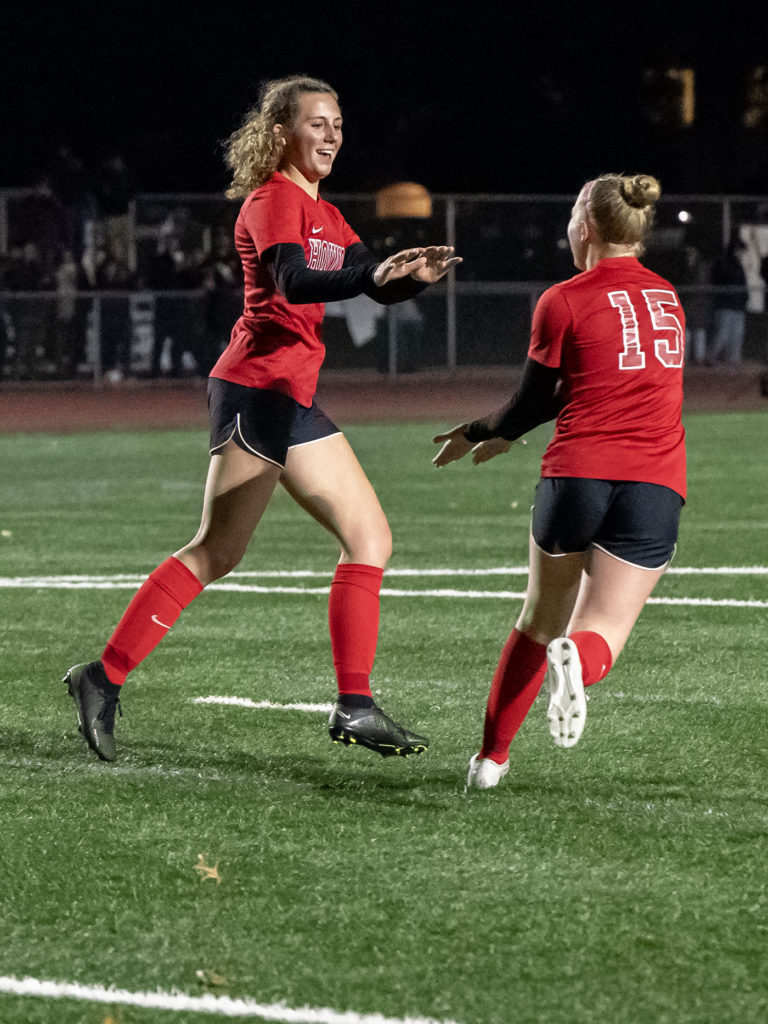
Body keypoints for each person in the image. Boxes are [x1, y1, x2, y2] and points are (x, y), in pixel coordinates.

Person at [64, 74, 460, 763]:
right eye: (317, 122)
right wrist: (372, 279)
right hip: (255, 389)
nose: (333, 134)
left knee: (370, 537)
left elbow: (365, 278)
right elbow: (295, 281)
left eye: (338, 123)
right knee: (217, 550)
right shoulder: (273, 200)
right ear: (282, 133)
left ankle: (356, 704)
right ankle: (101, 678)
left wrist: (407, 278)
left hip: (292, 397)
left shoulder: (329, 216)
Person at [432, 173, 686, 790]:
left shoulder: (564, 298)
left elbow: (534, 399)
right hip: (654, 483)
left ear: (588, 226)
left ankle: (490, 762)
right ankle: (578, 662)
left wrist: (480, 429)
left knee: (539, 620)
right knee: (603, 630)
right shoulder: (668, 297)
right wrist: (503, 427)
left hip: (574, 477)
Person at [709, 236, 748, 367]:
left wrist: (744, 299)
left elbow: (743, 285)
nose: (741, 253)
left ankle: (734, 359)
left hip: (737, 305)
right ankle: (713, 357)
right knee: (722, 332)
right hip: (725, 304)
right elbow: (720, 279)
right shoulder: (724, 262)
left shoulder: (738, 264)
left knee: (737, 334)